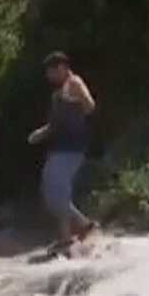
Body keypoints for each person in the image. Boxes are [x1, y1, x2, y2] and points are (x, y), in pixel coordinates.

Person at [28, 52, 98, 253]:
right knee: (53, 191)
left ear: (61, 68)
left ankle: (79, 227)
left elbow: (90, 105)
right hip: (60, 147)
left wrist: (80, 102)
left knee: (56, 192)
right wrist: (40, 133)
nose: (48, 76)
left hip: (72, 148)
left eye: (50, 72)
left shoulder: (74, 83)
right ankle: (70, 234)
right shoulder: (57, 94)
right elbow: (55, 124)